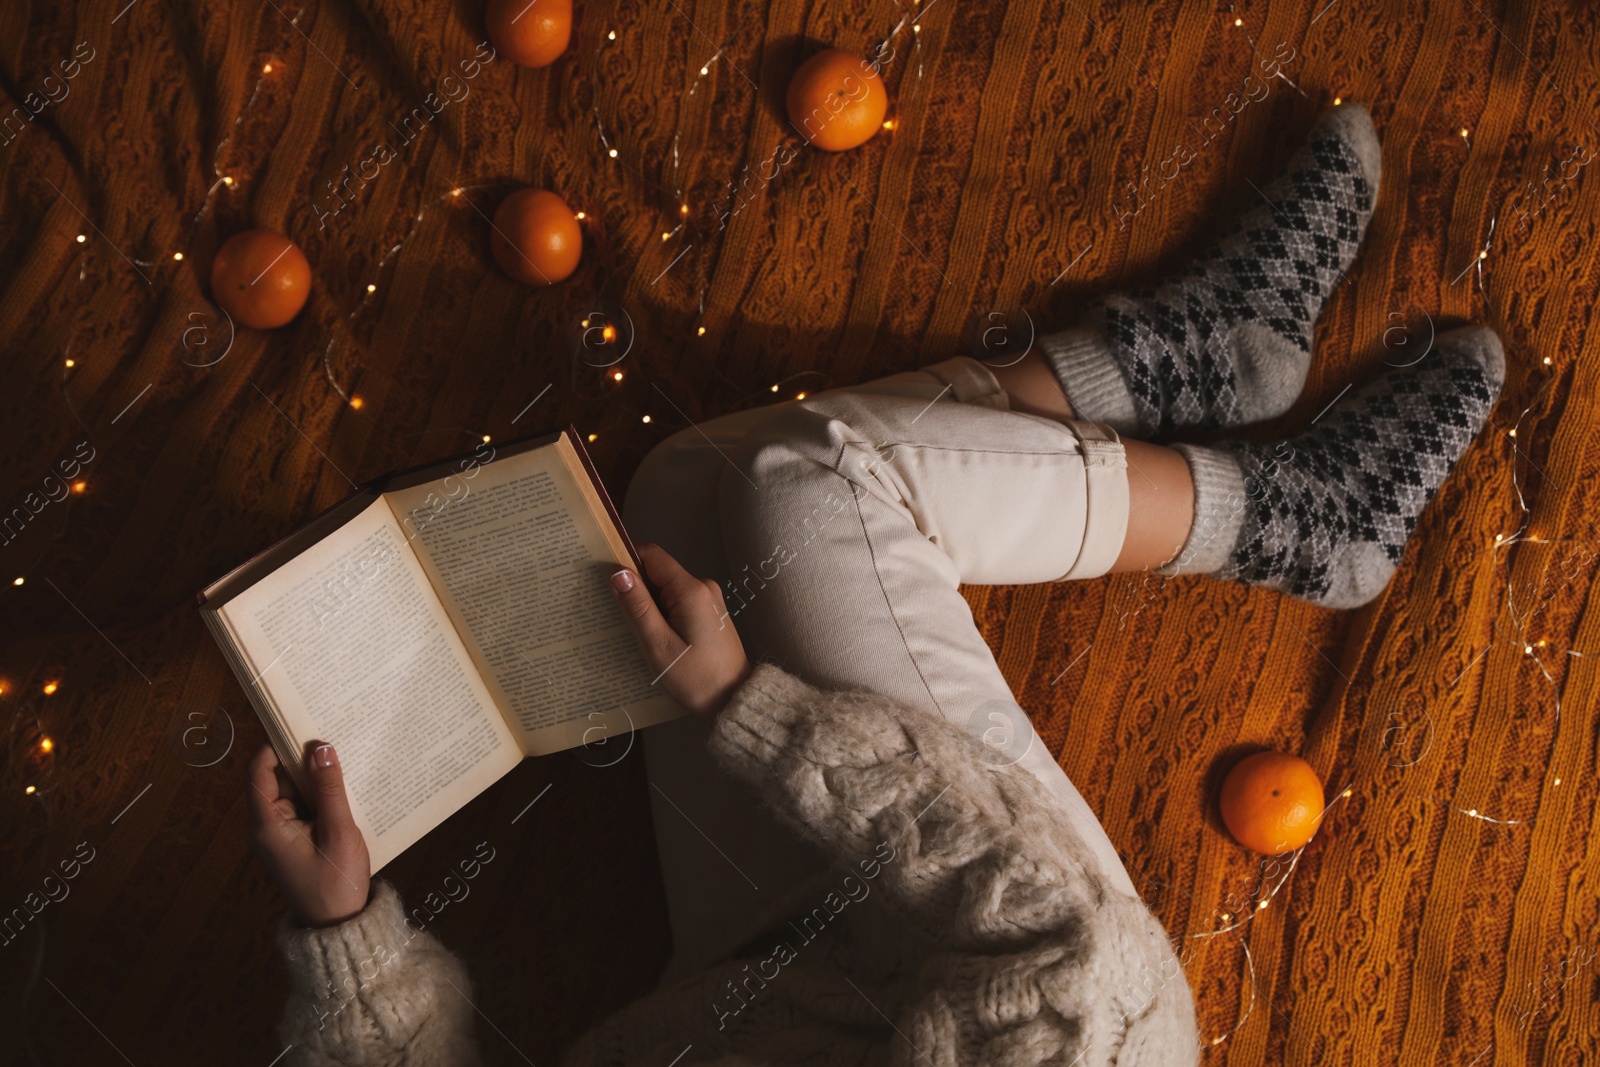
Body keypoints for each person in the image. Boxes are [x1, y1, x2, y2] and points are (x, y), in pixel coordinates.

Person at [247, 104, 1504, 1065]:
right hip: (1038, 974)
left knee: (685, 490)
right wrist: (750, 709)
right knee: (813, 482)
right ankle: (1290, 517)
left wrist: (350, 938)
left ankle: (1171, 368)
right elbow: (1075, 956)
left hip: (758, 980)